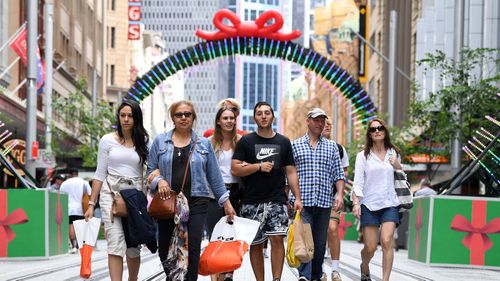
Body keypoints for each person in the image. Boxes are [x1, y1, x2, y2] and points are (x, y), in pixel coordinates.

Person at [147, 100, 236, 281]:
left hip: (197, 200)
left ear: (193, 117)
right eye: (179, 114)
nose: (183, 118)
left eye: (187, 114)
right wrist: (159, 180)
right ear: (173, 118)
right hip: (168, 202)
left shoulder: (203, 144)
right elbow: (150, 171)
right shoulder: (160, 142)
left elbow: (214, 176)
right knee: (164, 247)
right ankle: (173, 277)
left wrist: (226, 203)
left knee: (193, 246)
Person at [231, 101, 303, 281]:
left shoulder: (284, 141)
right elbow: (235, 169)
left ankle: (277, 279)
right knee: (256, 244)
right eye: (259, 113)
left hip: (277, 200)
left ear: (273, 116)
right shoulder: (246, 141)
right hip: (251, 201)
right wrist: (258, 166)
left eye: (267, 113)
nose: (263, 116)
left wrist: (298, 197)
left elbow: (291, 171)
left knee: (278, 240)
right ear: (254, 117)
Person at [84, 100, 150, 281]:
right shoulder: (107, 140)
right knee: (114, 242)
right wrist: (91, 204)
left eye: (130, 116)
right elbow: (99, 173)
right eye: (123, 115)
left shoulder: (143, 141)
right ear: (118, 117)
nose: (126, 119)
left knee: (133, 244)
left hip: (135, 195)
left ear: (136, 118)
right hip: (110, 194)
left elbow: (147, 172)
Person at [291, 108, 345, 281]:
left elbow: (338, 173)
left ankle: (315, 275)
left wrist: (340, 194)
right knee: (304, 240)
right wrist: (291, 198)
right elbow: (290, 174)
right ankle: (304, 276)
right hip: (302, 202)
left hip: (323, 201)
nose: (320, 123)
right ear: (308, 121)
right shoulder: (295, 145)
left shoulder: (331, 147)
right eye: (316, 120)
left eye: (322, 120)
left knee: (320, 244)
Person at [351, 118, 402, 281]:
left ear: (385, 131)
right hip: (369, 205)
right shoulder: (363, 156)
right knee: (370, 247)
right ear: (369, 134)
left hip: (390, 203)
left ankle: (385, 279)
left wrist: (398, 166)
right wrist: (356, 202)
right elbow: (358, 182)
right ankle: (364, 266)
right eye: (373, 129)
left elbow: (402, 177)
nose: (377, 131)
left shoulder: (394, 153)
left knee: (387, 241)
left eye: (380, 128)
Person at [206, 106, 242, 281]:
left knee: (231, 238)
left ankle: (228, 275)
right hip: (213, 194)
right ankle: (215, 277)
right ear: (218, 121)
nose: (229, 121)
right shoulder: (209, 142)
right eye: (225, 118)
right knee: (215, 237)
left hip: (236, 192)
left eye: (231, 118)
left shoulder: (242, 142)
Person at [321, 116, 349, 281]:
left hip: (332, 196)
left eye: (329, 125)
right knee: (319, 234)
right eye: (324, 124)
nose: (327, 127)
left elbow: (344, 172)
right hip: (314, 197)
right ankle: (321, 269)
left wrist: (340, 192)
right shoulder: (308, 145)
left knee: (332, 228)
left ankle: (335, 270)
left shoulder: (339, 149)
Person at [60, 168, 91, 254]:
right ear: (77, 174)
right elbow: (89, 193)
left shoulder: (64, 183)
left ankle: (73, 246)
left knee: (71, 226)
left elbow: (61, 195)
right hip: (81, 208)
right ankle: (78, 245)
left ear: (69, 174)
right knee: (80, 226)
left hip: (68, 208)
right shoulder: (83, 182)